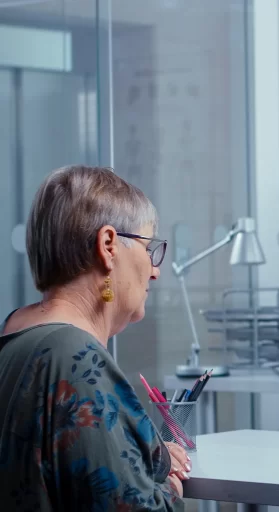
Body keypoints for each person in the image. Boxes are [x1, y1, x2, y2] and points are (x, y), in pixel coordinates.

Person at [0, 166, 187, 510]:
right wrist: (168, 486)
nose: (155, 270)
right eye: (150, 248)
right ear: (109, 245)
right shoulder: (73, 357)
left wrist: (146, 458)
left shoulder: (14, 336)